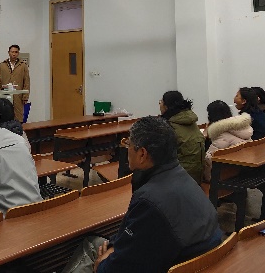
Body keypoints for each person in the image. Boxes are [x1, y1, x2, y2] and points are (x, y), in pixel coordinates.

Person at [61, 117, 222, 273]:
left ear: (142, 154)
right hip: (194, 260)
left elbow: (119, 267)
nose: (127, 149)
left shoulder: (149, 201)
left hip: (169, 264)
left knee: (90, 246)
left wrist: (103, 264)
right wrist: (113, 246)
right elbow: (138, 236)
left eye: (129, 144)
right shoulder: (184, 178)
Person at [158, 91, 204, 183]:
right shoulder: (189, 120)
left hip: (180, 178)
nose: (159, 104)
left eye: (161, 102)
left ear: (166, 106)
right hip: (197, 175)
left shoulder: (169, 125)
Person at [203, 100, 253, 182]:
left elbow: (209, 159)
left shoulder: (221, 135)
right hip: (243, 168)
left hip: (225, 175)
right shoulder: (241, 127)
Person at [0, 44, 30, 122]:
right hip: (5, 95)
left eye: (16, 52)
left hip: (18, 96)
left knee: (18, 117)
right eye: (12, 52)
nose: (14, 54)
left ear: (18, 53)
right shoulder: (2, 65)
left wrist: (25, 96)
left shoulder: (23, 66)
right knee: (5, 116)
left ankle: (18, 128)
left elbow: (26, 81)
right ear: (9, 52)